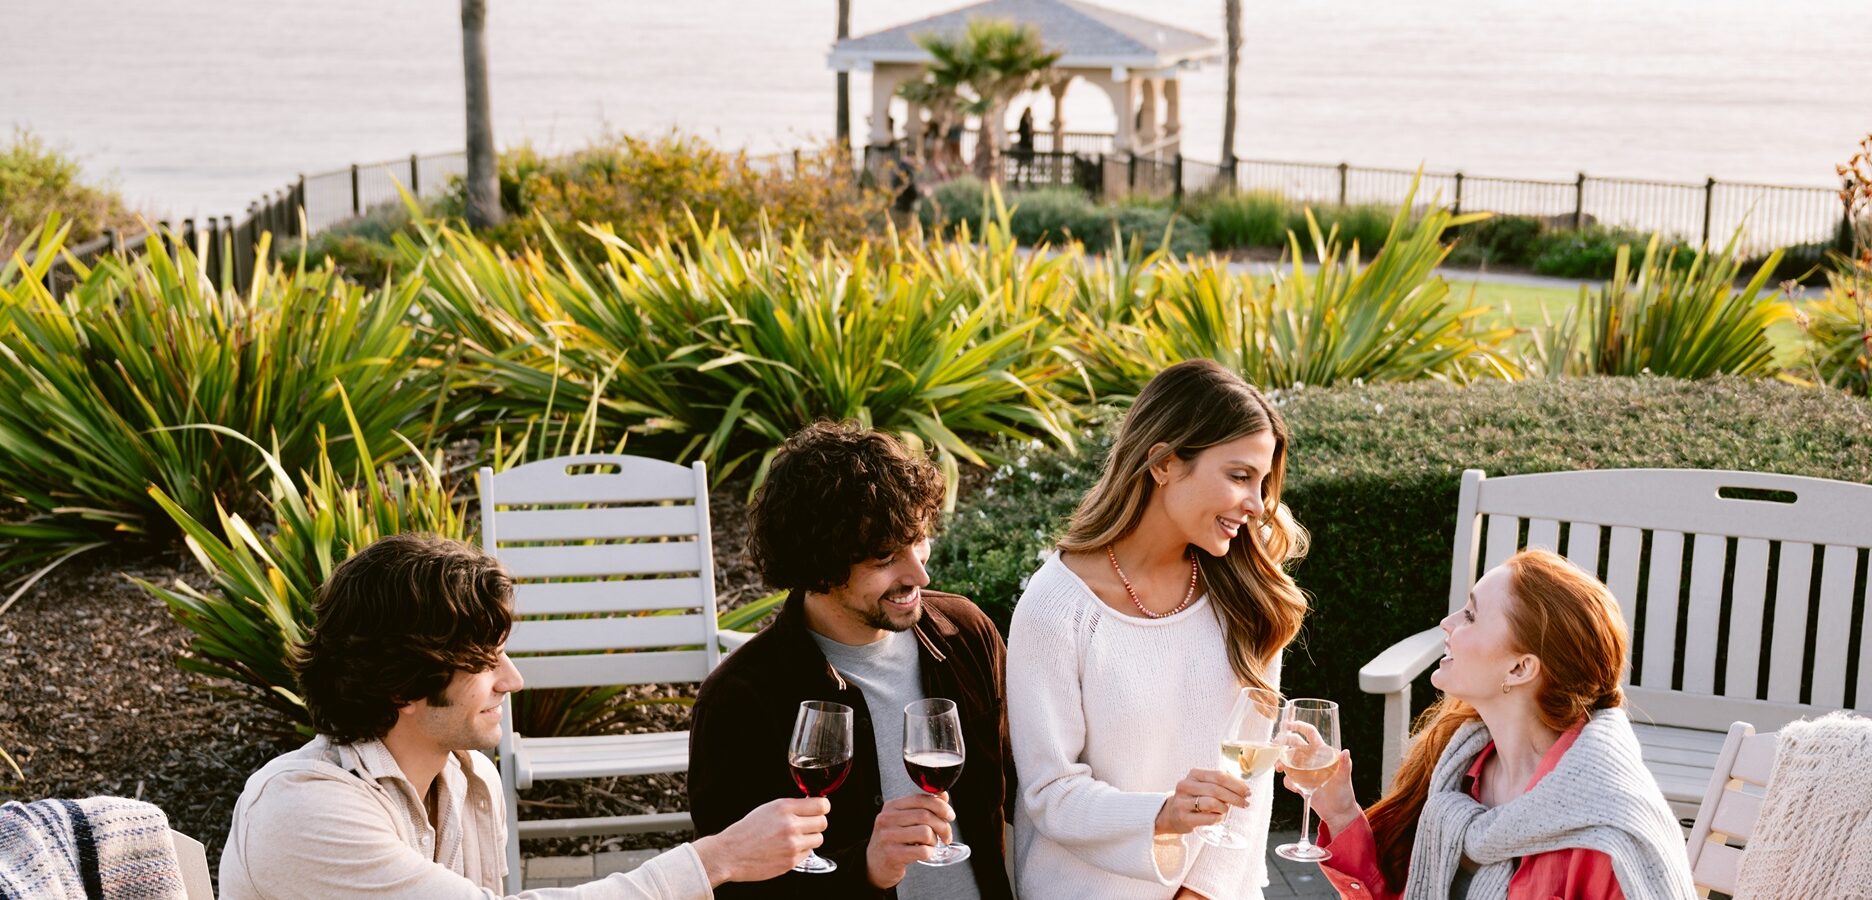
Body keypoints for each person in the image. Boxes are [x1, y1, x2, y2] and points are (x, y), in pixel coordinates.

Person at [220, 533, 830, 900]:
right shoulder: (302, 809)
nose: (512, 680)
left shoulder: (470, 780)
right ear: (403, 684)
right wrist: (715, 859)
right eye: (485, 663)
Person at [1007, 358, 1310, 900]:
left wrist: (1200, 892)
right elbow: (1050, 792)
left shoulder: (1248, 597)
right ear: (1165, 462)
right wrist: (1164, 815)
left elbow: (1250, 774)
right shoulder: (1055, 607)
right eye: (1239, 476)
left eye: (1263, 482)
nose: (1258, 504)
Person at [689, 422, 1014, 900]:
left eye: (919, 539)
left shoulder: (966, 633)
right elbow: (732, 887)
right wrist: (865, 867)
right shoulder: (741, 699)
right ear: (819, 565)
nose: (919, 572)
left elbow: (1023, 796)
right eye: (884, 557)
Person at [1294, 549, 1697, 899]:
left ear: (1520, 668)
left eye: (1470, 615)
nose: (1447, 623)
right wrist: (1342, 812)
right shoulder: (1457, 771)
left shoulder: (1606, 833)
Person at [1013, 108, 1036, 182]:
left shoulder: (1030, 120)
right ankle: (1016, 179)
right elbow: (1021, 130)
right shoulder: (1023, 120)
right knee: (1021, 162)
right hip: (1023, 144)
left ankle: (1029, 179)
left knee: (1029, 163)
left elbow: (1031, 132)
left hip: (1029, 144)